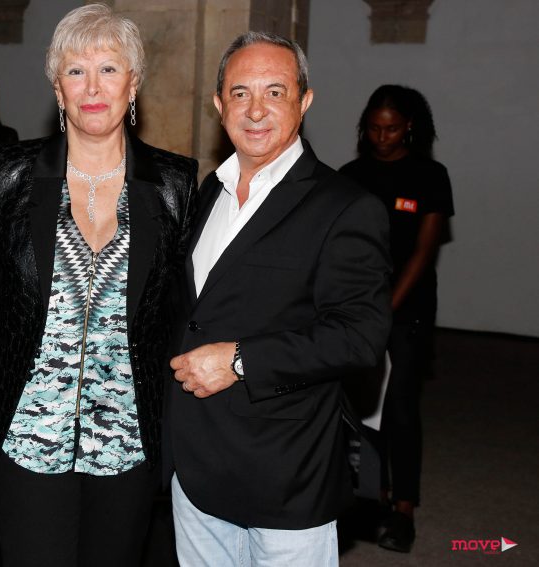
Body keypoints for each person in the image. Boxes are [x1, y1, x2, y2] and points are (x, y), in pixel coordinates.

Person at [168, 31, 392, 566]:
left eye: (275, 92)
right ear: (219, 104)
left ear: (304, 101)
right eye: (240, 93)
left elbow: (360, 337)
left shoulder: (345, 206)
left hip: (285, 470)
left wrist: (240, 360)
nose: (255, 110)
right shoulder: (208, 191)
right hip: (195, 464)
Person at [0, 5, 197, 566]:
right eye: (76, 71)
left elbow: (184, 313)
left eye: (109, 69)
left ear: (134, 83)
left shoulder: (174, 184)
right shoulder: (11, 174)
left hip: (128, 444)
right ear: (58, 88)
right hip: (27, 440)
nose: (93, 87)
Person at [340, 84, 454, 553]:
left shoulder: (430, 175)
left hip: (408, 309)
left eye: (390, 129)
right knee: (361, 406)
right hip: (357, 307)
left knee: (401, 407)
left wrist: (385, 309)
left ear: (409, 127)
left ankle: (404, 507)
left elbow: (424, 252)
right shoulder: (351, 176)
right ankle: (373, 496)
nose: (381, 137)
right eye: (373, 128)